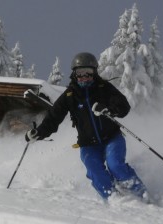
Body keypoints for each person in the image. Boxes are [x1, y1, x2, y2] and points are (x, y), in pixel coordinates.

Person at [25, 52, 148, 200]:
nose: (84, 77)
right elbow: (53, 118)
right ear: (74, 74)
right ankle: (114, 199)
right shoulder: (70, 96)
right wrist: (39, 132)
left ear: (94, 72)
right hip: (88, 144)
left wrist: (109, 109)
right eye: (80, 73)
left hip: (112, 138)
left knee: (115, 165)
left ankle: (141, 195)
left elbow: (123, 106)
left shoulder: (104, 88)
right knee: (95, 170)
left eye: (88, 73)